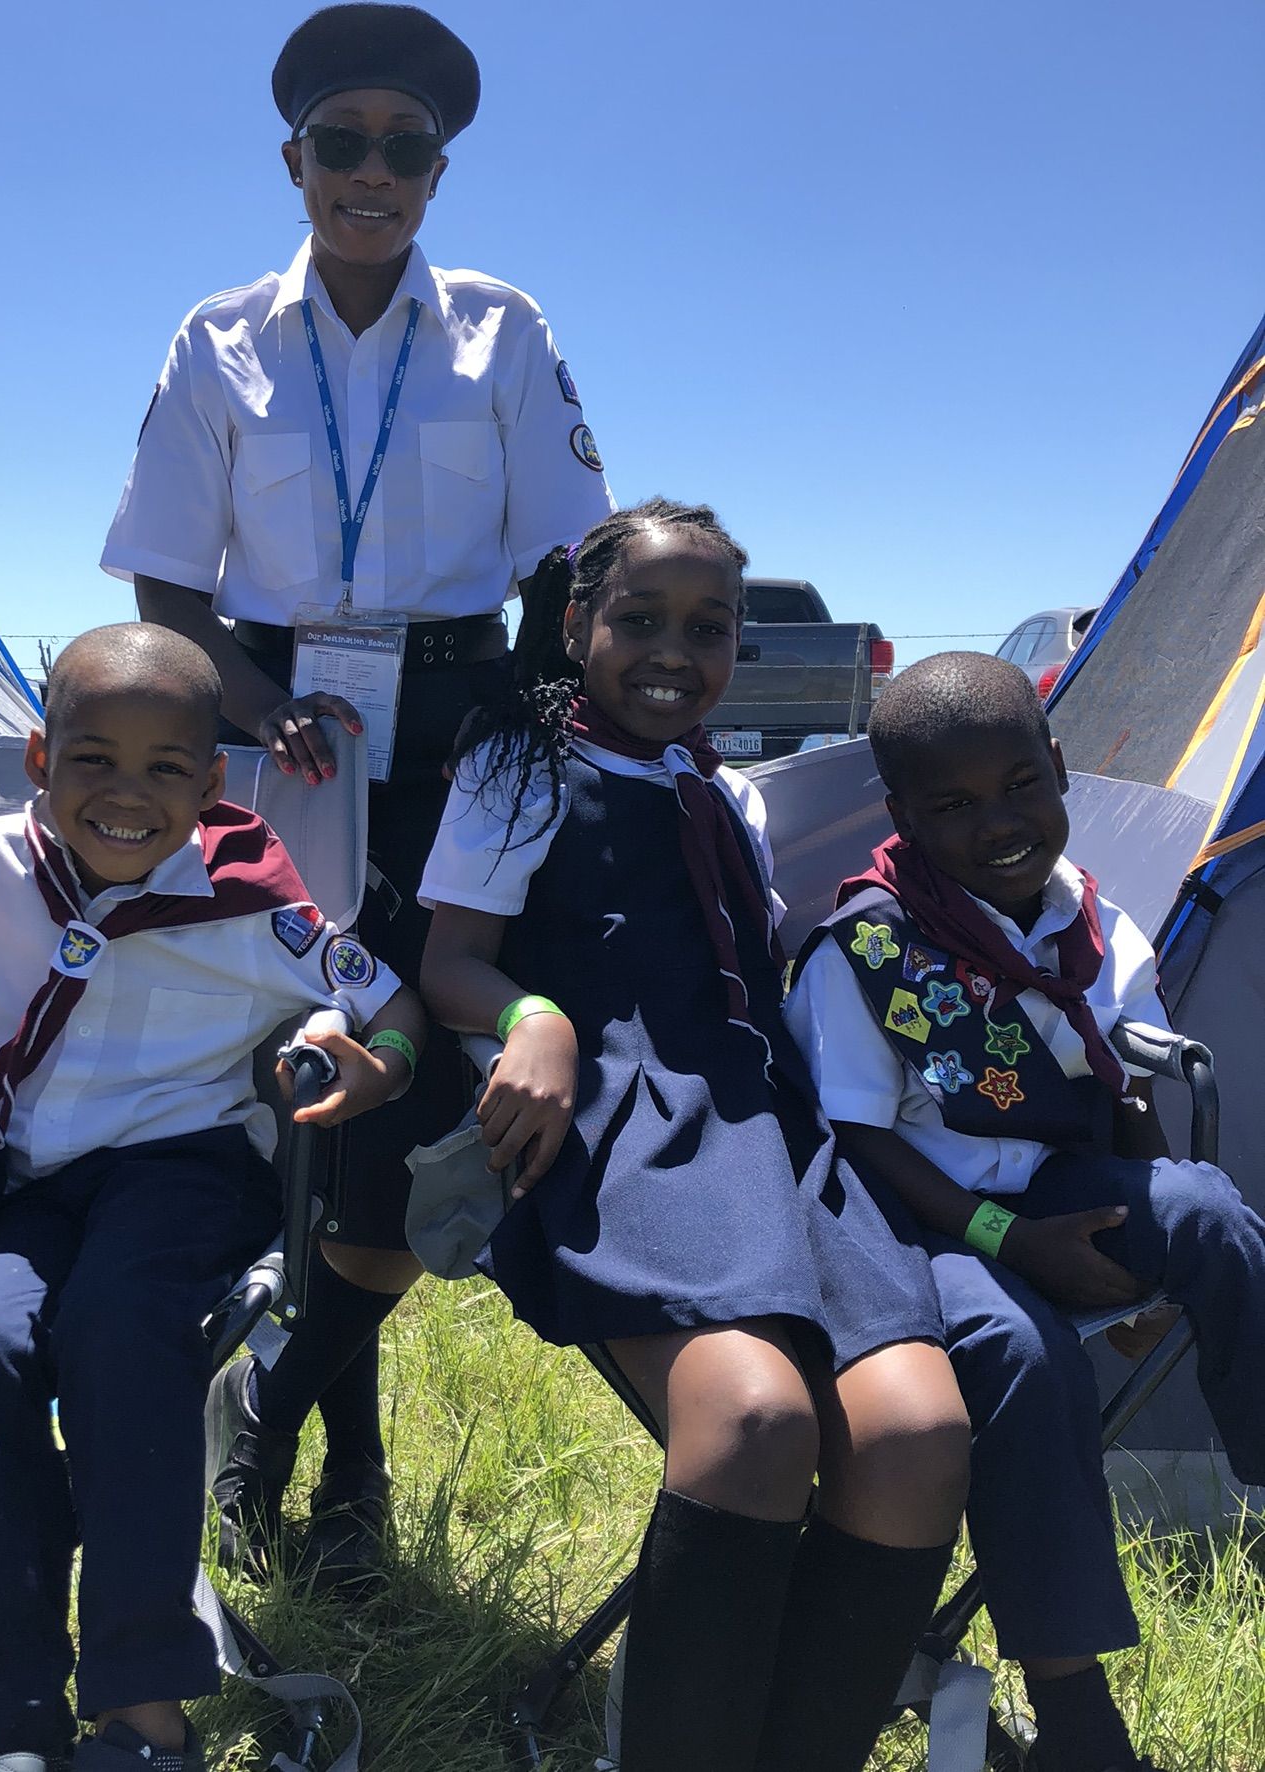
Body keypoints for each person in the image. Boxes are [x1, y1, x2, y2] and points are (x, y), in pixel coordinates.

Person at [101, 1, 615, 1592]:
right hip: (282, 738)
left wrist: (511, 736)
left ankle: (291, 1438)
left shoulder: (502, 332)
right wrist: (258, 712)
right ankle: (344, 1465)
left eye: (405, 147)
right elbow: (165, 586)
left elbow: (570, 565)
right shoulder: (218, 341)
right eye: (344, 143)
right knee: (306, 1081)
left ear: (438, 173)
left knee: (410, 1080)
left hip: (453, 740)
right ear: (296, 162)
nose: (372, 171)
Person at [416, 502, 970, 1772]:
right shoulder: (518, 766)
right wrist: (532, 1015)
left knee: (913, 1436)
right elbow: (448, 959)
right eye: (640, 618)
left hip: (772, 1124)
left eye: (708, 627)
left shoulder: (727, 794)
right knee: (753, 1419)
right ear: (577, 624)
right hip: (629, 1124)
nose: (673, 650)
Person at [0, 624, 425, 1772]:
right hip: (25, 1183)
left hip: (182, 1174)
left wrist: (373, 1063)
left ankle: (141, 1709)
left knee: (119, 1323)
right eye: (92, 758)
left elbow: (391, 1003)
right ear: (38, 757)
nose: (126, 793)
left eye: (165, 767)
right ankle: (11, 1710)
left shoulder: (254, 904)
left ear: (213, 780)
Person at [785, 650, 1265, 1772]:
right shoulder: (869, 950)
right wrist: (1009, 1240)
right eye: (952, 806)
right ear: (901, 815)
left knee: (1209, 1210)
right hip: (922, 1217)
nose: (998, 824)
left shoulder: (1094, 921)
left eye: (1018, 786)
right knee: (1019, 1350)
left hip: (1053, 1181)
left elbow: (1122, 1092)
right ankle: (1074, 1715)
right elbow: (857, 1138)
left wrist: (1155, 1255)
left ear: (1057, 768)